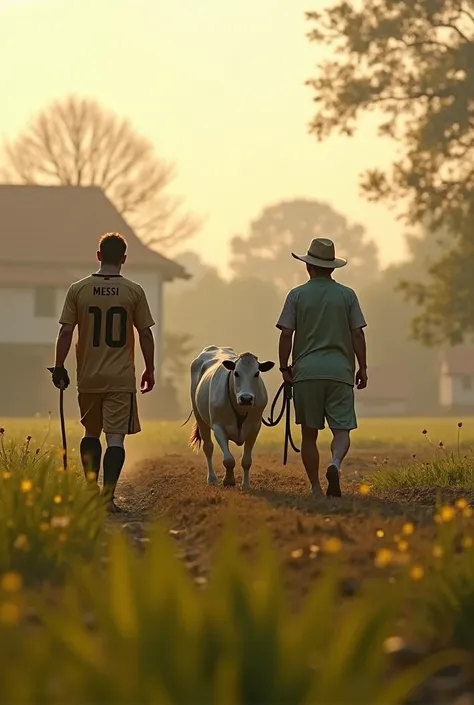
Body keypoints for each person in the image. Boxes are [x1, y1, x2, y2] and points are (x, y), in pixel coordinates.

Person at [50, 232, 156, 513]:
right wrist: (150, 368)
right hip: (120, 378)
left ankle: (89, 491)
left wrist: (59, 366)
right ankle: (108, 498)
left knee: (90, 432)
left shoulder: (78, 289)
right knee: (115, 438)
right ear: (124, 258)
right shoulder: (134, 291)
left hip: (89, 377)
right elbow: (145, 333)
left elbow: (65, 331)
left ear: (98, 256)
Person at [276, 237, 367, 498]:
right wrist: (363, 367)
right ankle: (335, 463)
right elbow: (357, 334)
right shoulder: (347, 295)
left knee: (309, 435)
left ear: (309, 267)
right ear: (333, 268)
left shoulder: (296, 295)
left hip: (306, 373)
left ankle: (316, 487)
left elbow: (286, 335)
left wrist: (284, 367)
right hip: (340, 372)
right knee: (342, 430)